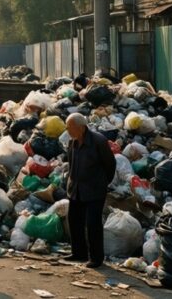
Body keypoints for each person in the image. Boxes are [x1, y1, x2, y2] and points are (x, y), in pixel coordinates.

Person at [65, 113, 116, 268]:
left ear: (80, 127)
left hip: (94, 189)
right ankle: (79, 253)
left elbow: (110, 164)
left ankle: (96, 258)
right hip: (76, 187)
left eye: (70, 127)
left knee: (93, 224)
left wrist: (103, 182)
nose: (67, 130)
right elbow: (70, 162)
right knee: (74, 220)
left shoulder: (98, 141)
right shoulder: (72, 142)